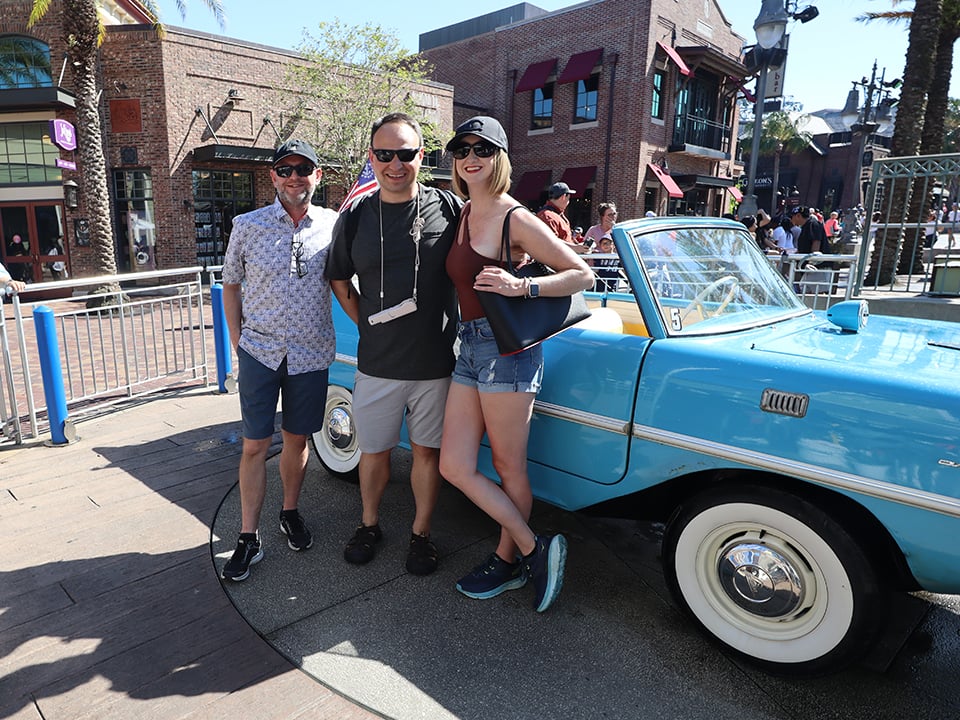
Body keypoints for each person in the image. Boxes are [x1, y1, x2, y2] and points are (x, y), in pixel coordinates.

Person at [440, 115, 594, 613]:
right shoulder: (464, 211)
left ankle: (508, 562)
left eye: (482, 149)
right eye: (462, 149)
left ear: (499, 158)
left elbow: (582, 274)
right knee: (454, 465)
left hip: (507, 351)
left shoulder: (515, 218)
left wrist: (522, 285)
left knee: (509, 467)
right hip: (470, 346)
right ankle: (535, 548)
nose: (470, 157)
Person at [326, 112, 462, 576]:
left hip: (434, 363)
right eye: (385, 154)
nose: (395, 163)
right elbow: (340, 278)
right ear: (372, 157)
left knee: (426, 452)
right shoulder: (357, 216)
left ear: (421, 157)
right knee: (374, 451)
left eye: (406, 154)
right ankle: (369, 524)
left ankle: (421, 534)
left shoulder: (448, 208)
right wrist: (367, 322)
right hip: (378, 363)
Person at [220, 138, 338, 582]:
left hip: (311, 353)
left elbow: (349, 280)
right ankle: (248, 536)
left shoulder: (333, 224)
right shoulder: (247, 225)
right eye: (284, 169)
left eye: (302, 168)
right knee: (254, 445)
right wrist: (237, 341)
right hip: (260, 353)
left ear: (317, 175)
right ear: (272, 176)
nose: (294, 177)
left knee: (297, 440)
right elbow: (231, 284)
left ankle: (290, 511)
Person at [537, 181, 587, 253]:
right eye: (568, 198)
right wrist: (575, 248)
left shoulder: (553, 214)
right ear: (563, 197)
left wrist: (577, 245)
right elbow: (550, 241)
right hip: (554, 262)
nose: (568, 202)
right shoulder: (548, 216)